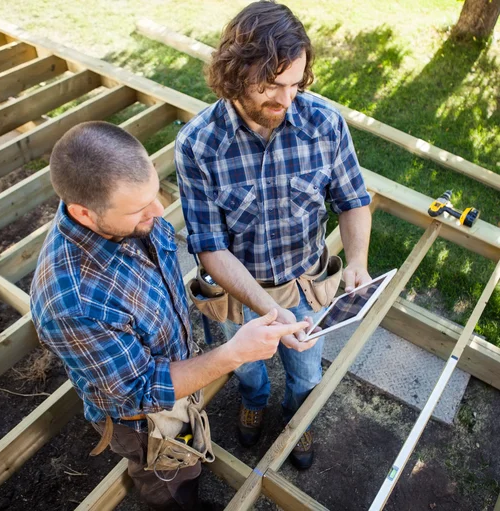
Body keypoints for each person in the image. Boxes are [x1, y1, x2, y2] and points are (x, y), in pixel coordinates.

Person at [30, 121, 309, 511]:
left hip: (179, 378)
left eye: (155, 193)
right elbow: (139, 392)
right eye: (139, 208)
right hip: (143, 422)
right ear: (84, 213)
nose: (159, 212)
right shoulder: (72, 301)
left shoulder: (128, 219)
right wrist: (234, 354)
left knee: (188, 455)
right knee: (170, 483)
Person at [175, 0, 372, 470]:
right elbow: (209, 248)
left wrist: (359, 262)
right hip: (239, 295)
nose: (285, 101)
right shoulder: (199, 145)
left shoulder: (324, 124)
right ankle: (254, 400)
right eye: (270, 86)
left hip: (305, 285)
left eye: (295, 84)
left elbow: (353, 201)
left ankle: (297, 422)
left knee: (306, 372)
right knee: (246, 367)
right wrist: (271, 313)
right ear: (233, 74)